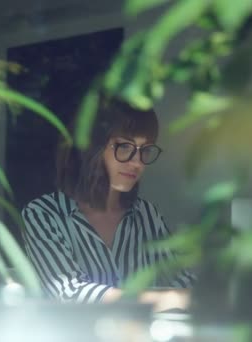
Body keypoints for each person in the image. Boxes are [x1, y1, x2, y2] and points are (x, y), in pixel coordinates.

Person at [21, 97, 195, 311]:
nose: (137, 162)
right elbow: (69, 293)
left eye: (145, 150)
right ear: (91, 147)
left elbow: (183, 281)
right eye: (124, 147)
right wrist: (162, 300)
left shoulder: (146, 215)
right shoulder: (44, 214)